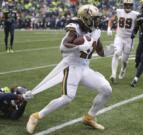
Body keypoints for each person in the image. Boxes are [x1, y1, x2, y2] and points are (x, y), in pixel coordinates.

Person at [26, 4, 112, 134]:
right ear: (86, 18)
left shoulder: (95, 31)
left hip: (85, 68)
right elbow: (64, 46)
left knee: (106, 89)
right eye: (95, 18)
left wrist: (108, 52)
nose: (98, 21)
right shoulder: (75, 27)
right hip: (72, 66)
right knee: (67, 98)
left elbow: (100, 51)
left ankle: (89, 117)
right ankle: (36, 116)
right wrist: (78, 47)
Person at [107, 0, 139, 82]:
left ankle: (123, 69)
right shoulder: (119, 11)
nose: (128, 6)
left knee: (124, 60)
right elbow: (111, 20)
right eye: (126, 5)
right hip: (119, 36)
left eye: (129, 5)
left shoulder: (136, 14)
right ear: (123, 5)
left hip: (129, 39)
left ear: (132, 5)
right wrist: (109, 28)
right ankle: (113, 74)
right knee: (116, 53)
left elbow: (140, 25)